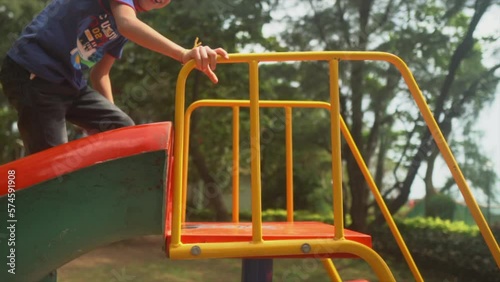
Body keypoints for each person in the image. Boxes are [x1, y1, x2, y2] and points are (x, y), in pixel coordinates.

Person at [0, 0, 228, 155]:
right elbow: (128, 24)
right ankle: (24, 208)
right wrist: (183, 54)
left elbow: (101, 74)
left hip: (69, 83)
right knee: (51, 163)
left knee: (121, 130)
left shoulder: (122, 26)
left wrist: (106, 120)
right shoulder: (126, 20)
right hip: (34, 70)